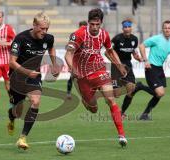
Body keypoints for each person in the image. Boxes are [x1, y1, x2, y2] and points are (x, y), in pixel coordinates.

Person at [65, 8, 128, 147]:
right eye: (92, 24)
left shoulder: (104, 35)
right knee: (93, 109)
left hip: (99, 69)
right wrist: (72, 68)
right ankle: (86, 100)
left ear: (101, 23)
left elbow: (110, 50)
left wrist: (119, 65)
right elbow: (68, 54)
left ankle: (122, 135)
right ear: (88, 23)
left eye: (97, 24)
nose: (94, 27)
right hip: (83, 76)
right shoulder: (79, 34)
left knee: (110, 99)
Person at [7, 12, 59, 150]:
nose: (44, 32)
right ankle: (11, 117)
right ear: (34, 25)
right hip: (17, 77)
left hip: (34, 76)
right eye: (41, 28)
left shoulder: (48, 38)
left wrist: (54, 64)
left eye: (46, 29)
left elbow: (51, 47)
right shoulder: (21, 38)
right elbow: (11, 62)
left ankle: (23, 138)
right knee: (17, 111)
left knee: (36, 101)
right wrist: (26, 72)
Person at [139, 20, 170, 120]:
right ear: (162, 29)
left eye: (169, 28)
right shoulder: (157, 38)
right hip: (151, 67)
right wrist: (146, 60)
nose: (167, 30)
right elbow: (141, 46)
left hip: (159, 69)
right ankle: (140, 86)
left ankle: (144, 114)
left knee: (160, 94)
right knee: (160, 93)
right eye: (165, 28)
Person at [111, 19, 154, 119]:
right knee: (116, 94)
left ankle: (121, 113)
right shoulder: (117, 39)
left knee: (131, 91)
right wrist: (117, 64)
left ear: (131, 28)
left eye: (128, 27)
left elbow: (133, 51)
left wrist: (137, 57)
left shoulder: (134, 39)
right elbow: (110, 52)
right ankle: (138, 86)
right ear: (122, 28)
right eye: (125, 27)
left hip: (127, 64)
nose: (127, 29)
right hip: (116, 65)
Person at [66, 20, 88, 99]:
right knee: (73, 76)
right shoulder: (75, 35)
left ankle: (84, 94)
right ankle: (69, 93)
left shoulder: (87, 35)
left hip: (84, 59)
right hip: (76, 58)